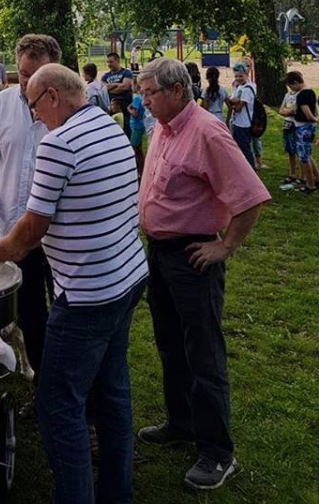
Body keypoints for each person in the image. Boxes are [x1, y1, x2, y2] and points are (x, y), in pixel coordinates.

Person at [0, 64, 148, 504]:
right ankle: (117, 493)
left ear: (53, 96)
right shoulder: (109, 125)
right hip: (127, 276)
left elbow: (30, 230)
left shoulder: (58, 143)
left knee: (58, 404)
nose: (35, 117)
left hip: (87, 294)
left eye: (34, 106)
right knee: (112, 392)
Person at [136, 58, 269, 491]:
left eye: (149, 93)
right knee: (170, 344)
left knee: (203, 353)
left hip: (193, 258)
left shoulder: (208, 132)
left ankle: (217, 453)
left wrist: (225, 246)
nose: (143, 101)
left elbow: (250, 196)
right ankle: (181, 423)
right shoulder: (162, 128)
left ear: (176, 90)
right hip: (160, 254)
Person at [0, 34, 61, 384]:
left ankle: (66, 382)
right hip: (14, 228)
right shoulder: (0, 105)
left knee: (66, 311)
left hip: (59, 235)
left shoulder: (66, 111)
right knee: (29, 312)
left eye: (36, 75)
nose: (27, 83)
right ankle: (42, 382)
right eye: (23, 74)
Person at [286, 71, 318, 194]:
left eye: (291, 86)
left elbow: (308, 114)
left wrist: (315, 119)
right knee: (308, 154)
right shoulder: (311, 91)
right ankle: (316, 177)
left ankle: (310, 184)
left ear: (295, 83)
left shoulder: (302, 95)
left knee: (304, 157)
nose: (291, 89)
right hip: (310, 127)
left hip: (303, 128)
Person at [227, 61, 257, 168]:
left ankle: (251, 168)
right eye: (236, 76)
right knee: (237, 147)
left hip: (244, 123)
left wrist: (231, 103)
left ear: (246, 74)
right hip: (237, 122)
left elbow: (238, 108)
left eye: (241, 76)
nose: (238, 78)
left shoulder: (247, 89)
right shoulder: (240, 87)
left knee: (244, 147)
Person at [101, 51, 133, 137]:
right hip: (112, 108)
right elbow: (103, 89)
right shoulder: (105, 76)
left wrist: (109, 88)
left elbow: (125, 87)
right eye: (107, 62)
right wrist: (117, 84)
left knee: (126, 130)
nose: (109, 64)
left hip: (125, 108)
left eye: (111, 62)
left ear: (118, 61)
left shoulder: (126, 73)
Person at [278, 74, 299, 189]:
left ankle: (303, 175)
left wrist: (288, 110)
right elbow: (281, 110)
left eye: (290, 85)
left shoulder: (299, 95)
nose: (289, 88)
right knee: (290, 150)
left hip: (296, 125)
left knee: (298, 150)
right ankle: (292, 174)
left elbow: (294, 109)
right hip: (287, 125)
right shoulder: (287, 95)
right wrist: (287, 111)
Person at [128, 77, 146, 177]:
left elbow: (134, 113)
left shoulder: (136, 98)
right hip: (140, 125)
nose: (131, 88)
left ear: (136, 85)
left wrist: (128, 109)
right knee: (139, 150)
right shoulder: (142, 97)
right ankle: (142, 171)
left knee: (133, 150)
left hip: (136, 126)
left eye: (132, 85)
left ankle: (134, 171)